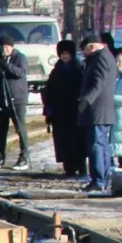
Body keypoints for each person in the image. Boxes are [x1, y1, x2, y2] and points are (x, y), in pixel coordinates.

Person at [0, 35, 31, 169]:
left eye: (8, 47)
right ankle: (0, 156)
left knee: (20, 128)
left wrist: (6, 65)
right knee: (2, 130)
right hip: (1, 99)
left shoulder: (20, 57)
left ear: (12, 47)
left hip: (17, 99)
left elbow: (21, 72)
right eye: (3, 47)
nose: (5, 50)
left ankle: (24, 156)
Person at [78, 35, 117, 195]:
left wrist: (86, 100)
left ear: (91, 47)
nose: (84, 53)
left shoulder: (101, 58)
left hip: (98, 109)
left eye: (85, 50)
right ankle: (102, 179)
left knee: (96, 145)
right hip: (101, 110)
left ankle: (99, 180)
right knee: (101, 145)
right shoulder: (104, 56)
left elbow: (98, 83)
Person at [41, 40, 85, 179]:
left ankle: (81, 166)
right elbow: (50, 90)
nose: (65, 56)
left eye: (68, 53)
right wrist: (49, 109)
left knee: (78, 140)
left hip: (75, 110)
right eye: (63, 53)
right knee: (63, 141)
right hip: (60, 112)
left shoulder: (79, 68)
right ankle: (68, 167)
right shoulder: (56, 70)